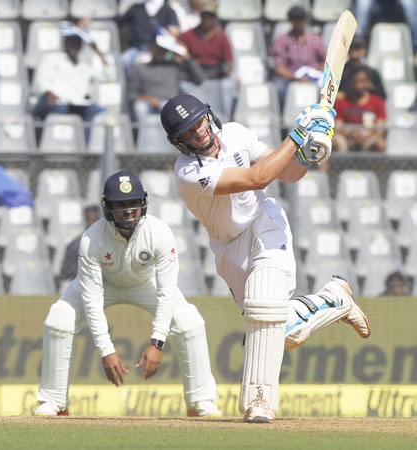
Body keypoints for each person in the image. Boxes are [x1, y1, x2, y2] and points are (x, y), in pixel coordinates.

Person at [159, 94, 371, 423]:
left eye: (199, 122)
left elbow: (286, 174)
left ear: (208, 115)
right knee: (278, 332)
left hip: (263, 222)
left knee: (264, 306)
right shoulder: (188, 172)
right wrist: (298, 134)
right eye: (187, 132)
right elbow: (256, 177)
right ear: (178, 142)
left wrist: (309, 151)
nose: (198, 132)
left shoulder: (235, 133)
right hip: (228, 247)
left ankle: (260, 401)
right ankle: (333, 299)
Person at [35, 171, 222, 418]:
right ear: (107, 206)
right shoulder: (92, 239)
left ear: (142, 203)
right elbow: (92, 300)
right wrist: (106, 350)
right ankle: (55, 402)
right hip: (102, 283)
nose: (128, 210)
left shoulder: (160, 233)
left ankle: (201, 401)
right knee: (58, 319)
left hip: (145, 282)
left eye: (133, 203)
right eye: (120, 204)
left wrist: (157, 342)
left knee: (190, 321)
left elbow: (167, 292)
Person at [32, 24, 112, 125]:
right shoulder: (51, 58)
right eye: (71, 42)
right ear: (65, 43)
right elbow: (42, 82)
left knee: (95, 111)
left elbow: (109, 77)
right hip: (50, 102)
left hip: (75, 105)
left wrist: (99, 53)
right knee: (60, 109)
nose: (73, 46)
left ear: (81, 46)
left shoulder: (85, 66)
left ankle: (83, 141)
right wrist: (49, 93)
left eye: (77, 43)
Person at [128, 32, 203, 124]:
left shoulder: (174, 67)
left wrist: (187, 57)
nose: (160, 51)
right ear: (151, 47)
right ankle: (143, 137)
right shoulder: (140, 68)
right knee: (140, 107)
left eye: (163, 48)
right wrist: (148, 99)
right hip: (149, 105)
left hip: (171, 105)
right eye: (158, 47)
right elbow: (131, 95)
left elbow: (199, 80)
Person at [177, 1, 234, 116]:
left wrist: (224, 73)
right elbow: (177, 56)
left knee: (228, 85)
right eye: (204, 16)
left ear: (215, 18)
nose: (207, 19)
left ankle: (226, 117)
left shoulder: (221, 36)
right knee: (182, 85)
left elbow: (229, 61)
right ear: (200, 16)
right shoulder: (188, 35)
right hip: (193, 75)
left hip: (215, 75)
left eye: (210, 16)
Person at [269, 6, 326, 106]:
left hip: (314, 74)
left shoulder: (315, 38)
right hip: (292, 76)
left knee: (327, 85)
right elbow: (279, 68)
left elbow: (324, 60)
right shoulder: (282, 40)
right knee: (279, 86)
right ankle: (284, 113)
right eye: (297, 21)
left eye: (302, 20)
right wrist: (298, 78)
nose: (300, 24)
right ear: (291, 21)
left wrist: (319, 74)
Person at [334, 66, 387, 153]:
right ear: (350, 83)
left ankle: (379, 167)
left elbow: (380, 129)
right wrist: (350, 134)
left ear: (368, 83)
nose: (358, 85)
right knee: (330, 143)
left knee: (380, 145)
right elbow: (338, 127)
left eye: (362, 81)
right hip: (346, 138)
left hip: (369, 138)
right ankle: (329, 167)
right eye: (355, 82)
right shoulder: (341, 102)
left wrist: (366, 135)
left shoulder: (378, 102)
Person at [58, 205, 100, 285]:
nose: (93, 223)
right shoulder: (75, 246)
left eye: (96, 220)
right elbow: (66, 273)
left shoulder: (111, 243)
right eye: (89, 219)